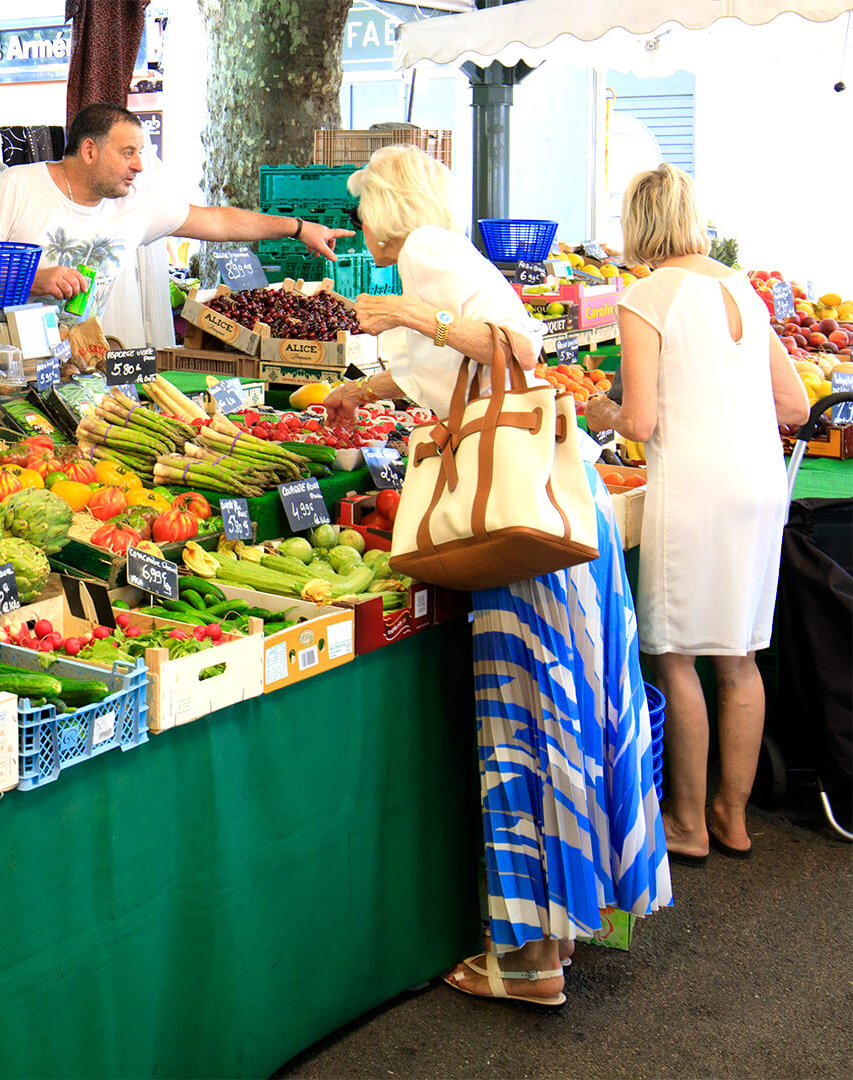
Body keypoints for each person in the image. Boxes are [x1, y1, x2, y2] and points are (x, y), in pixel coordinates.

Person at [323, 145, 671, 1009]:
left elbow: (510, 343)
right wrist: (361, 386)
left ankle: (527, 963)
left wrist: (403, 307)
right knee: (568, 713)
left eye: (364, 205)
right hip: (552, 506)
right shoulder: (444, 258)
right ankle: (566, 925)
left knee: (527, 720)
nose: (360, 222)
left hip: (521, 523)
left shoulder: (426, 256)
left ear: (389, 205)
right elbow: (463, 365)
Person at [583, 164, 810, 864]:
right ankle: (731, 818)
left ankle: (685, 822)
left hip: (696, 485)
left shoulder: (649, 295)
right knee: (739, 657)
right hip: (761, 485)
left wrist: (600, 411)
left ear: (639, 222)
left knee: (676, 654)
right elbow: (797, 408)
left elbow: (642, 420)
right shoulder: (742, 288)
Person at [0, 102, 351, 345]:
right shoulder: (16, 187)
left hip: (81, 366)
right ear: (89, 150)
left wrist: (298, 228)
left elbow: (217, 221)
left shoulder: (137, 202)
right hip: (0, 370)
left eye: (140, 152)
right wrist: (32, 278)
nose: (140, 165)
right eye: (128, 152)